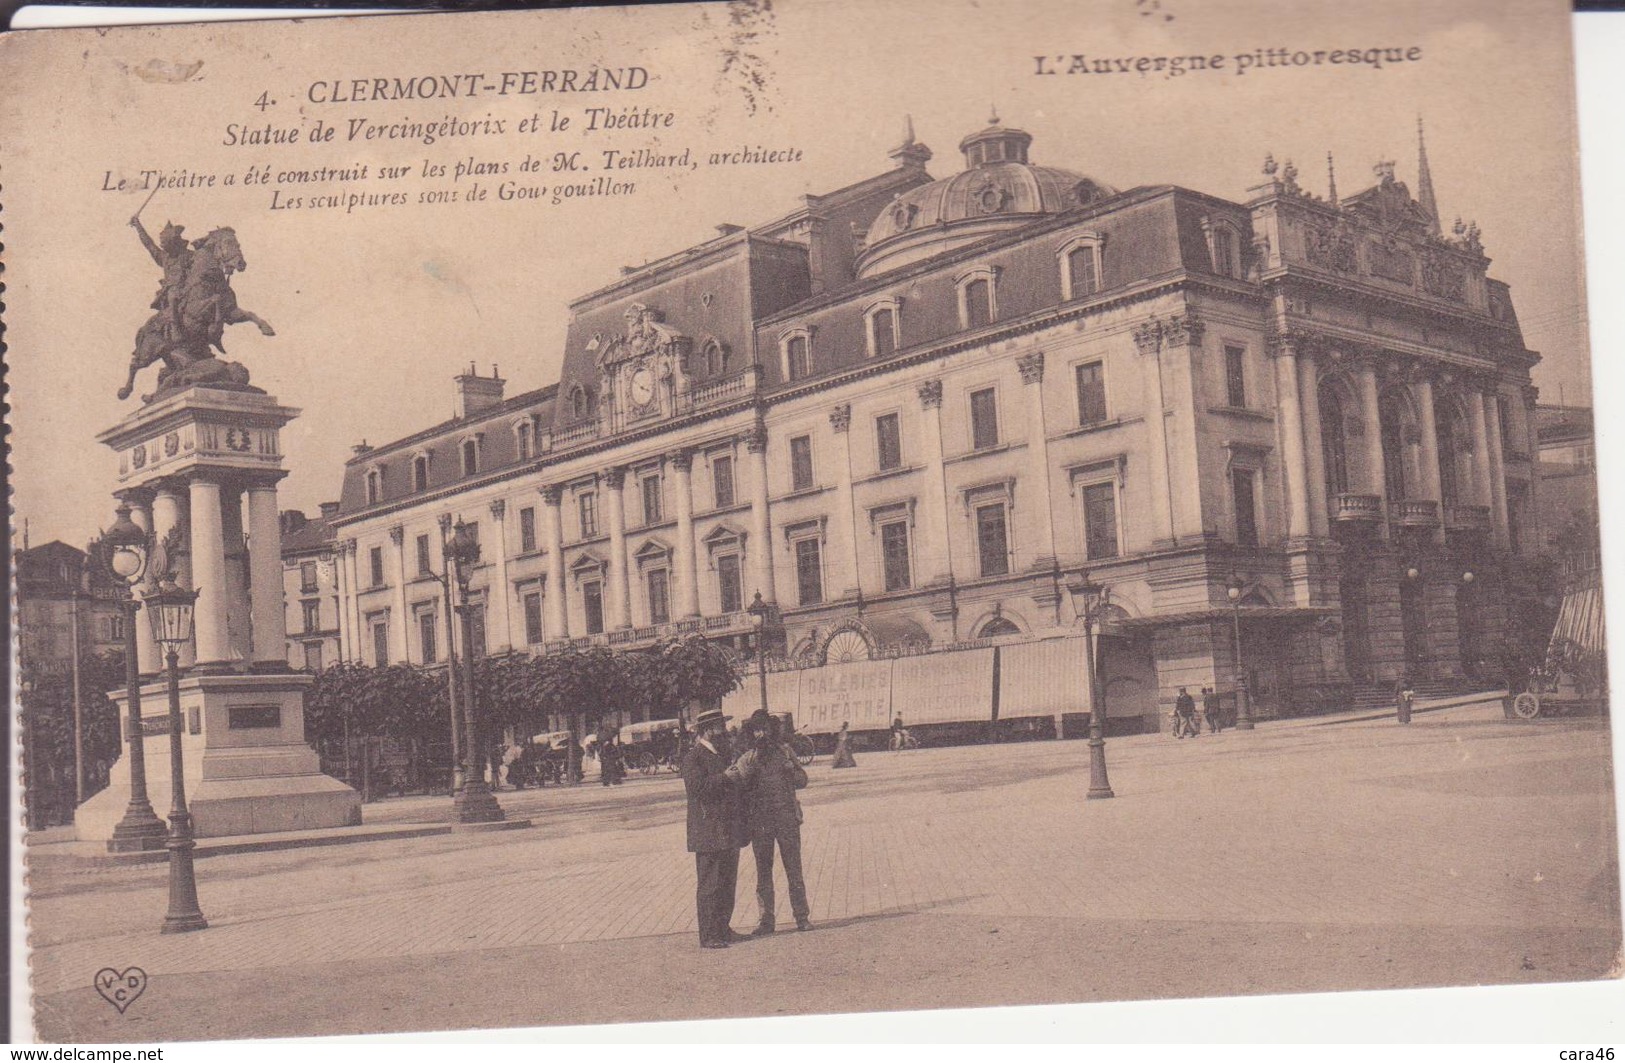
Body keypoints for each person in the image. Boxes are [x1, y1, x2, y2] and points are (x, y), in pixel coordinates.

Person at [728, 709, 813, 934]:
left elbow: (803, 779)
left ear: (772, 730)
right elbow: (734, 784)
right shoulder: (748, 758)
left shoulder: (785, 752)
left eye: (765, 729)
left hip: (786, 819)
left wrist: (791, 771)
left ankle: (802, 917)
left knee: (794, 870)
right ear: (751, 733)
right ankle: (766, 921)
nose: (761, 734)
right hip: (761, 822)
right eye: (757, 730)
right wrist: (748, 774)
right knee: (763, 872)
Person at [681, 707, 748, 949]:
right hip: (708, 832)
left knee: (727, 882)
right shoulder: (693, 757)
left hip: (728, 829)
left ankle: (723, 929)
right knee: (710, 884)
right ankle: (708, 935)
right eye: (720, 727)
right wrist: (726, 778)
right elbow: (697, 789)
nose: (725, 731)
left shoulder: (722, 753)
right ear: (708, 731)